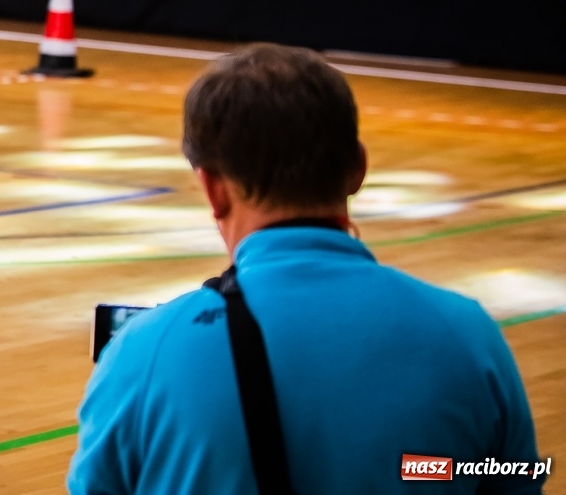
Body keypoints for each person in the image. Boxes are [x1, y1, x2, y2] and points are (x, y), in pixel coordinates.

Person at [68, 44, 542, 494]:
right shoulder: (468, 336)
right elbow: (516, 477)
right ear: (357, 168)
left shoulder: (141, 352)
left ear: (212, 189)